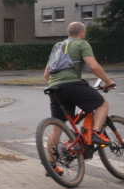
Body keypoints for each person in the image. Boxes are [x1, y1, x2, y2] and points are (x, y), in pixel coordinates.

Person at [43, 21, 116, 162]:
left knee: (58, 125)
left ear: (68, 33)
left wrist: (58, 87)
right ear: (82, 33)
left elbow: (46, 74)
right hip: (72, 84)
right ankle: (96, 133)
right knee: (102, 104)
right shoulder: (82, 44)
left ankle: (51, 164)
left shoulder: (57, 47)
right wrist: (108, 81)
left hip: (54, 88)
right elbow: (93, 66)